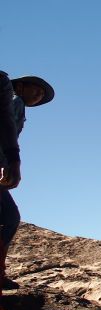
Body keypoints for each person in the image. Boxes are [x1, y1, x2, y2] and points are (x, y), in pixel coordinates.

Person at [0, 71, 55, 295]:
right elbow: (4, 126)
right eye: (36, 89)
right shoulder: (15, 101)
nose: (39, 95)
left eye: (42, 94)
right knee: (9, 217)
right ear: (20, 87)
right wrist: (11, 162)